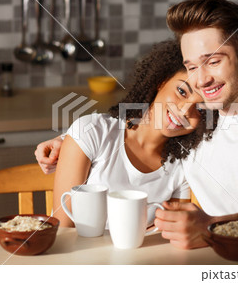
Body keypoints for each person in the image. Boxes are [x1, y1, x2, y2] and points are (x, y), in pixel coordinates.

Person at [36, 0, 238, 248]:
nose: (202, 79)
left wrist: (212, 226)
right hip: (227, 260)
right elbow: (139, 136)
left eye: (214, 61)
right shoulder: (200, 129)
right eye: (191, 66)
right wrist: (71, 142)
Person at [51, 40, 217, 227]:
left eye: (201, 109)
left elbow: (171, 235)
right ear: (161, 82)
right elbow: (63, 230)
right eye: (181, 91)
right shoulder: (93, 132)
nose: (185, 111)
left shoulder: (182, 167)